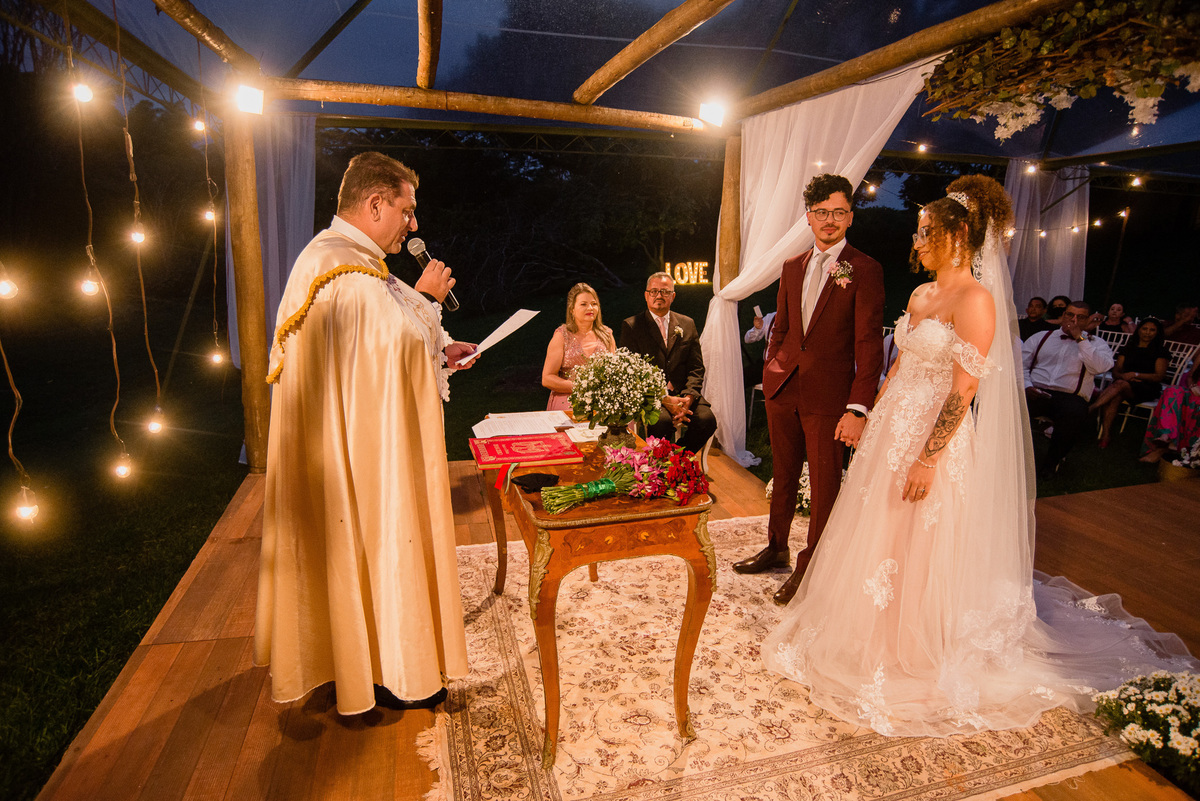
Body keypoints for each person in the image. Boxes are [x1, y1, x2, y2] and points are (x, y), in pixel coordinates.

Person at [762, 175, 1198, 738]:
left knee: (919, 538)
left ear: (958, 235)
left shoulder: (976, 300)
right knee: (876, 529)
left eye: (926, 232)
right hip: (892, 428)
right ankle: (864, 625)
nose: (917, 241)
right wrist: (873, 419)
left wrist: (927, 457)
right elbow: (898, 367)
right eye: (918, 231)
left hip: (933, 439)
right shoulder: (920, 296)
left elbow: (963, 389)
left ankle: (915, 643)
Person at [256, 152, 475, 715]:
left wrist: (442, 348)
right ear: (375, 203)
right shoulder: (343, 270)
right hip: (361, 456)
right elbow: (392, 343)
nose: (413, 223)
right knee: (382, 540)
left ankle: (371, 658)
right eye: (407, 209)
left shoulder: (352, 261)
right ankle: (391, 670)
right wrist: (428, 298)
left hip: (353, 437)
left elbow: (385, 343)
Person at [733, 173, 884, 606]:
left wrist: (858, 407)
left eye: (838, 212)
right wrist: (772, 369)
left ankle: (811, 566)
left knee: (823, 484)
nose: (829, 220)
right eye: (821, 212)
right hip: (783, 387)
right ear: (809, 217)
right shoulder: (791, 266)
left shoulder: (864, 269)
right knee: (782, 474)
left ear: (850, 217)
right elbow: (780, 327)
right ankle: (776, 547)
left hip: (830, 396)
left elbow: (869, 345)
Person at [619, 272, 718, 454]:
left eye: (665, 292)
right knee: (661, 422)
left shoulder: (687, 324)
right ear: (646, 295)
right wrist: (664, 398)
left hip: (683, 392)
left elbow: (696, 367)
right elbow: (630, 374)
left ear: (673, 296)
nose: (659, 296)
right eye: (654, 291)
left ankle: (678, 458)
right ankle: (661, 463)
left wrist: (688, 398)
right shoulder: (632, 325)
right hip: (652, 396)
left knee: (707, 420)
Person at [1022, 300, 1113, 480]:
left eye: (1080, 317)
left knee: (1074, 415)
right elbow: (1020, 365)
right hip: (1035, 390)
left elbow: (1100, 367)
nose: (1074, 320)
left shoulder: (1096, 343)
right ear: (1063, 316)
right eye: (1070, 315)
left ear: (1088, 320)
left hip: (1069, 396)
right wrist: (1027, 385)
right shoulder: (1042, 337)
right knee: (1008, 405)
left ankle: (1051, 463)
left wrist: (1080, 339)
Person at [1089, 317, 1168, 447]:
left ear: (1157, 332)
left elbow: (1158, 376)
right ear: (1139, 330)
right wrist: (1124, 376)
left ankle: (1091, 408)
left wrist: (1136, 375)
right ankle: (1105, 436)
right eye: (1144, 329)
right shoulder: (1128, 348)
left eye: (1152, 330)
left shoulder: (1160, 351)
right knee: (1116, 394)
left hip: (1147, 387)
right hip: (1124, 385)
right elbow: (1115, 372)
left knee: (1119, 385)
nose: (1147, 332)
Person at [542, 282, 616, 411]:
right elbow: (547, 379)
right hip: (568, 398)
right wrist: (582, 387)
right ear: (572, 309)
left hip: (601, 400)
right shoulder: (561, 336)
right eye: (583, 304)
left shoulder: (607, 334)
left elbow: (615, 372)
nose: (590, 308)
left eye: (594, 304)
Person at [1140, 356, 1200, 463]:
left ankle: (1166, 447)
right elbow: (1191, 375)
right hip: (1195, 392)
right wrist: (1193, 386)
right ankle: (1166, 435)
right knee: (1172, 391)